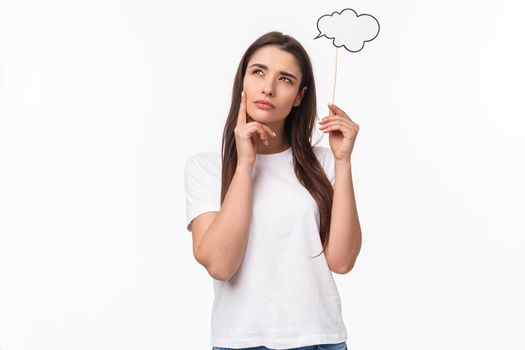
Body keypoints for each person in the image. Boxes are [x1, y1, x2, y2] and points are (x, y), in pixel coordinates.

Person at [184, 31, 362, 350]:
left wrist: (344, 162)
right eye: (258, 72)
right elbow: (220, 264)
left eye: (285, 79)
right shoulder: (207, 168)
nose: (268, 87)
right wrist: (244, 165)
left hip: (319, 339)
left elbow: (342, 261)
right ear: (242, 81)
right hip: (240, 341)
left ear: (298, 96)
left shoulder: (326, 162)